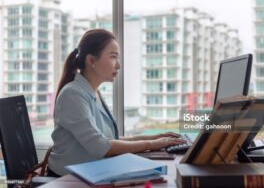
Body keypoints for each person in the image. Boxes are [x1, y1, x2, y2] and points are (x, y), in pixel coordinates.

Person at [47, 29, 185, 177]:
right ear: (92, 60)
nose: (118, 65)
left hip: (92, 173)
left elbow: (111, 139)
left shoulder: (93, 92)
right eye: (113, 57)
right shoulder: (73, 94)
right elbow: (102, 146)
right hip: (67, 179)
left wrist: (154, 137)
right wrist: (152, 145)